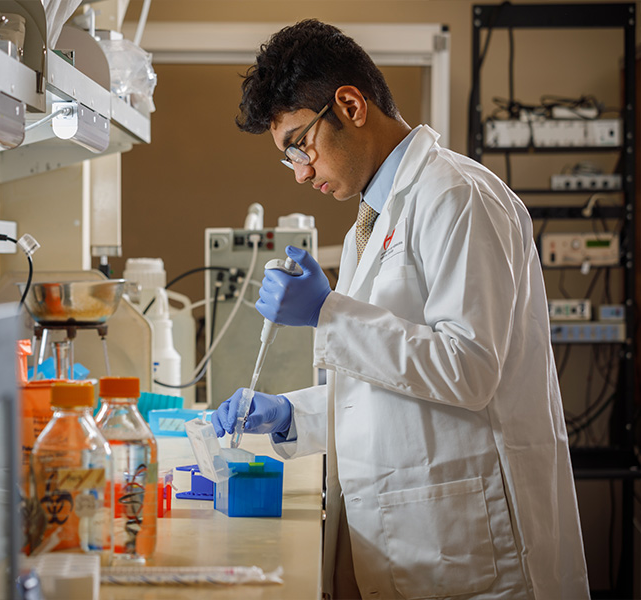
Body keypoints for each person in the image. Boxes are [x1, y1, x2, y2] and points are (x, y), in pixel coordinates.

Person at [212, 19, 589, 600]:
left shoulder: (457, 196)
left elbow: (468, 367)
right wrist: (291, 415)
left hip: (473, 547)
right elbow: (384, 386)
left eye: (299, 146)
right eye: (289, 159)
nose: (302, 172)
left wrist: (328, 314)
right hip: (416, 537)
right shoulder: (379, 216)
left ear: (350, 104)